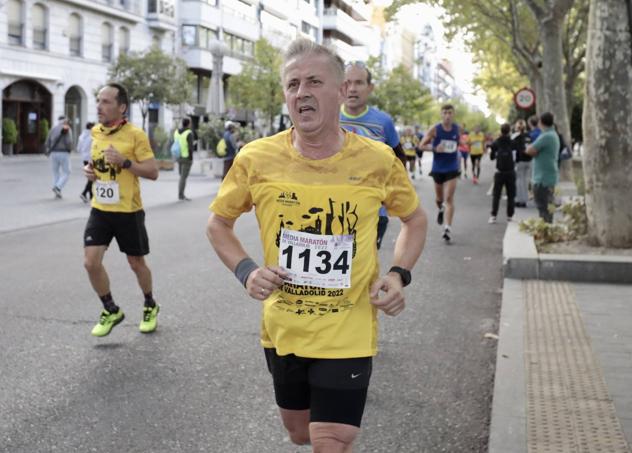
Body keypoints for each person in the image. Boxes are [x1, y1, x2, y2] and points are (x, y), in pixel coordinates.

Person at [206, 39, 427, 452]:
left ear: (342, 91)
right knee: (299, 433)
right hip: (284, 328)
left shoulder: (378, 160)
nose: (301, 92)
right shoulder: (256, 158)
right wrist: (247, 270)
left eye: (313, 81)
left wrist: (398, 275)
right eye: (292, 84)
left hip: (349, 328)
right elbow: (219, 224)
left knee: (332, 441)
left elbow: (414, 219)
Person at [82, 82, 160, 337]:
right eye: (98, 101)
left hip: (129, 211)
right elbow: (98, 165)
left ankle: (149, 304)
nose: (99, 106)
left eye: (105, 102)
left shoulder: (135, 135)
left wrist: (125, 162)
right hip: (100, 209)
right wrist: (90, 173)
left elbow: (152, 172)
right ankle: (110, 309)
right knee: (91, 263)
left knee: (136, 262)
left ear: (121, 107)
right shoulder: (96, 132)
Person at [340, 60, 406, 249]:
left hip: (375, 211)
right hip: (335, 208)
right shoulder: (329, 118)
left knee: (364, 263)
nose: (352, 88)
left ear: (370, 88)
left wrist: (393, 190)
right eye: (347, 82)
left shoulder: (383, 122)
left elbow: (399, 157)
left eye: (359, 83)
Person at [419, 104, 461, 242]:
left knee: (449, 198)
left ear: (453, 114)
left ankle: (447, 228)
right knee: (439, 199)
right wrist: (435, 148)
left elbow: (459, 144)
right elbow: (421, 145)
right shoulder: (435, 129)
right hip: (437, 169)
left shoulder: (458, 129)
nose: (447, 115)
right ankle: (440, 209)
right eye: (445, 113)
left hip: (452, 168)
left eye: (450, 113)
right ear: (441, 114)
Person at [525, 112, 560, 223]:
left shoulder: (546, 136)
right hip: (548, 175)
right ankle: (547, 230)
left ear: (540, 122)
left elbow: (529, 150)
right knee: (547, 206)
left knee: (543, 207)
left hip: (542, 178)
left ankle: (546, 231)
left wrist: (533, 150)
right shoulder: (552, 134)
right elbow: (534, 150)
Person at [488, 123, 517, 223]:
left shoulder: (496, 142)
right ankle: (510, 216)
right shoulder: (513, 142)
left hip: (499, 172)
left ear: (501, 131)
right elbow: (516, 156)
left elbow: (491, 157)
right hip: (510, 171)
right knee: (511, 195)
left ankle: (493, 216)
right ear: (509, 131)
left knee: (496, 195)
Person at [45, 116, 74, 199]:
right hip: (64, 152)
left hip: (53, 153)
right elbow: (69, 141)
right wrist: (70, 149)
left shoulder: (53, 129)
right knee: (67, 172)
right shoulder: (67, 129)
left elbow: (47, 141)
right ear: (65, 120)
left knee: (55, 172)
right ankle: (58, 187)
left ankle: (57, 191)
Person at [174, 117, 194, 201]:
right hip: (186, 157)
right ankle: (181, 195)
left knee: (181, 176)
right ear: (189, 123)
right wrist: (191, 158)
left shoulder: (176, 132)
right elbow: (190, 147)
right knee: (183, 177)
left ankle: (181, 194)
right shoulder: (189, 133)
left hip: (178, 156)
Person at [512, 119, 531, 208]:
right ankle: (525, 200)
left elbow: (513, 150)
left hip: (520, 160)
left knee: (519, 181)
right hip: (529, 160)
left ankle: (520, 200)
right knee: (525, 181)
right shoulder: (528, 136)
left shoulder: (516, 136)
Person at [78, 121, 95, 203]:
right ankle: (84, 193)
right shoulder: (92, 136)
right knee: (92, 177)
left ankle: (91, 196)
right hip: (91, 158)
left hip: (84, 158)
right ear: (91, 127)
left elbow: (78, 148)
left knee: (90, 176)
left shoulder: (82, 135)